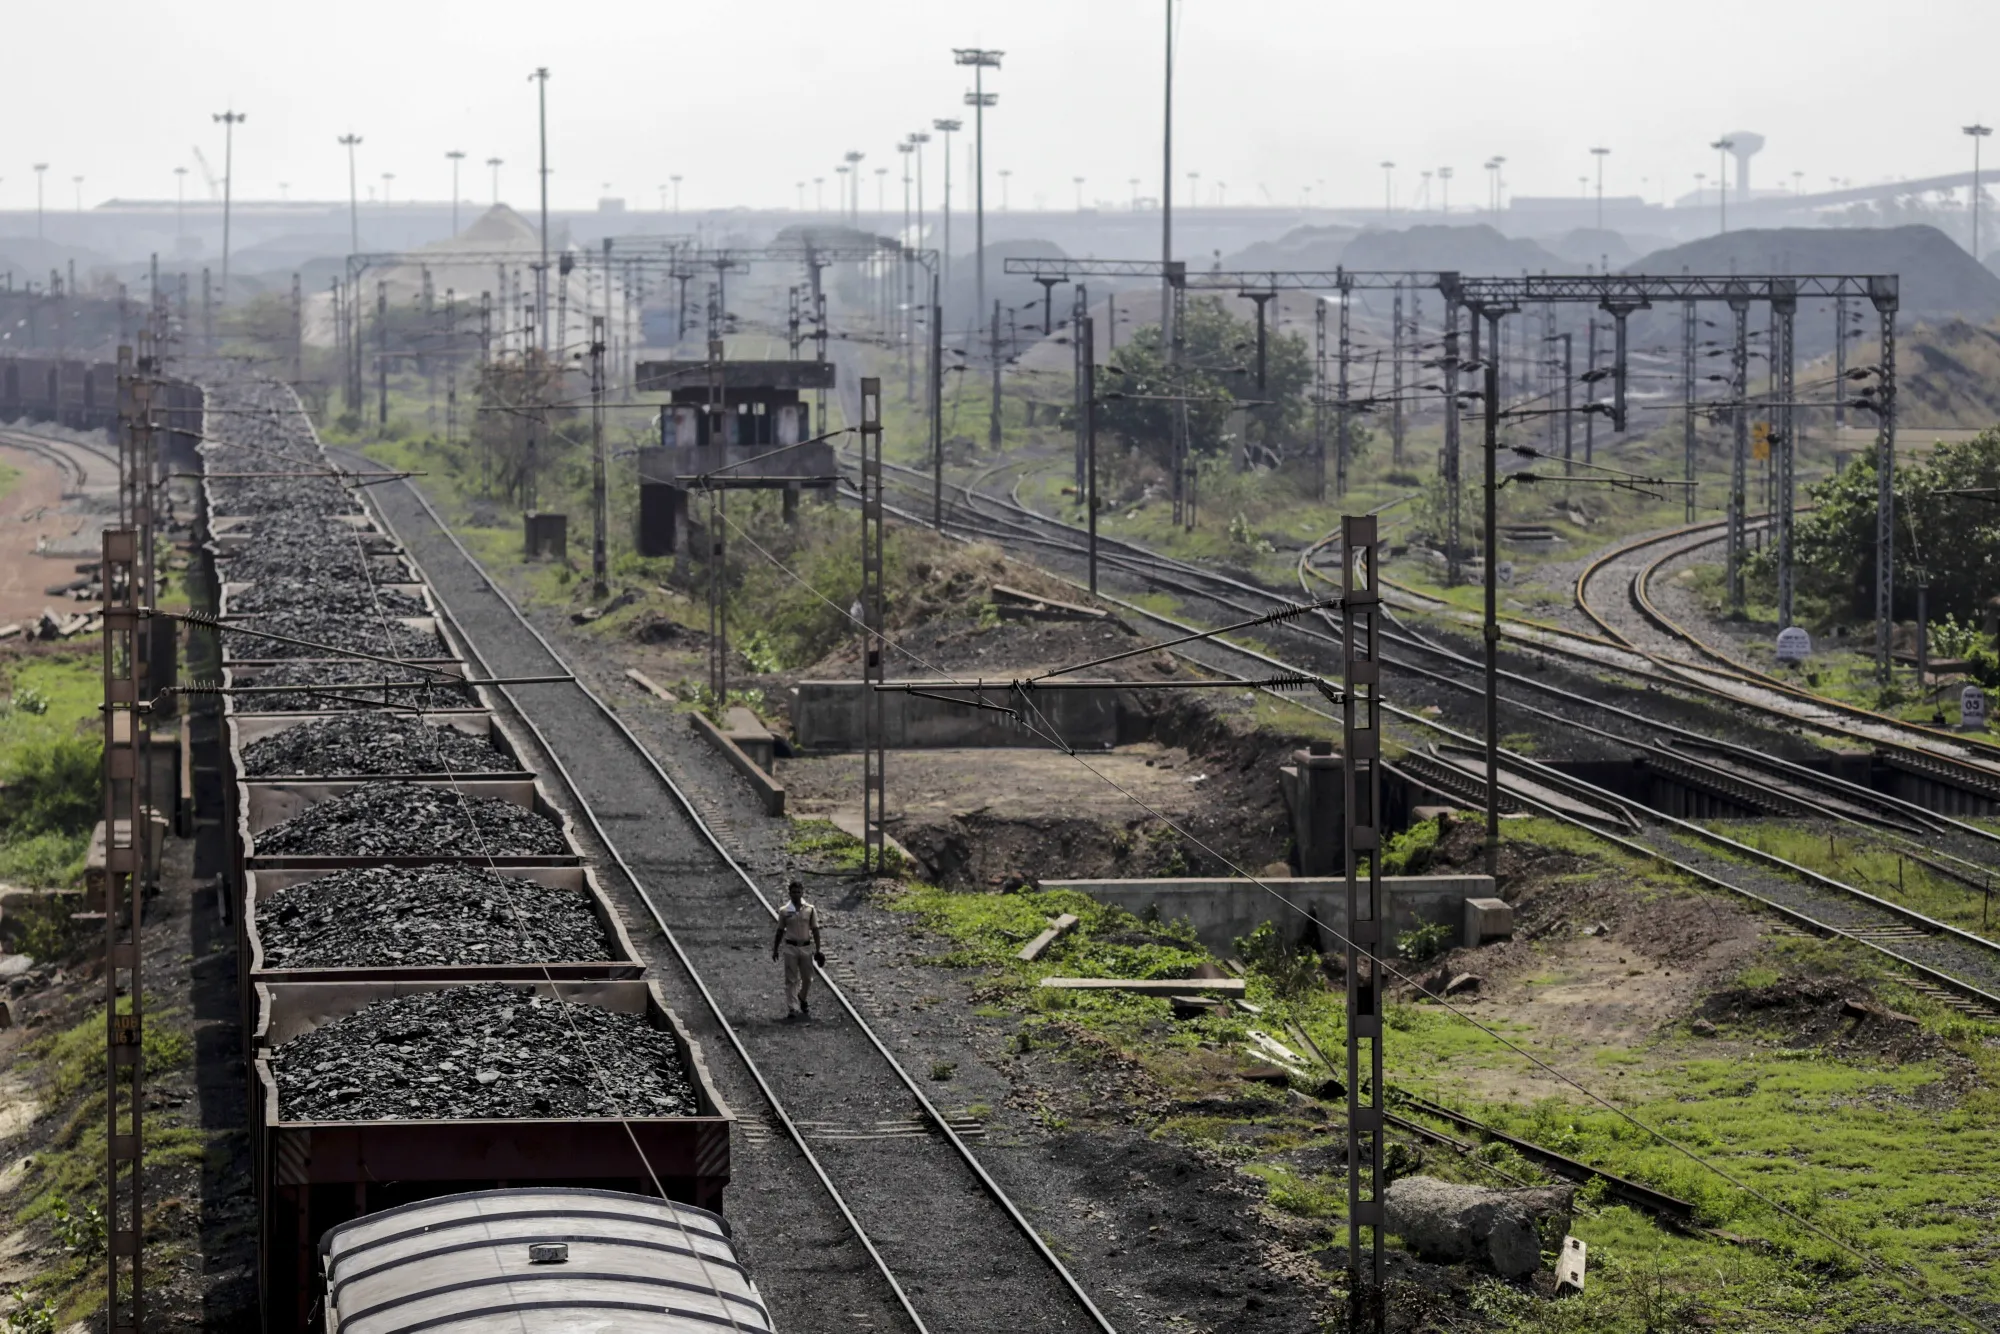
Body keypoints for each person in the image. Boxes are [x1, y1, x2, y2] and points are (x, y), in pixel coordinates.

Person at [771, 880, 824, 1021]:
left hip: (806, 947)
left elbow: (815, 930)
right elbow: (780, 931)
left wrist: (818, 949)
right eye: (793, 892)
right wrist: (775, 949)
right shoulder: (784, 911)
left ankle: (802, 997)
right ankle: (793, 1007)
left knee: (808, 978)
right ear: (789, 893)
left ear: (802, 892)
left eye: (798, 892)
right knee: (791, 979)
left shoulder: (810, 909)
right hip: (790, 948)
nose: (796, 894)